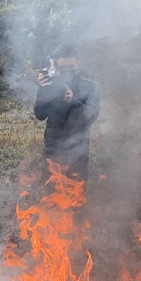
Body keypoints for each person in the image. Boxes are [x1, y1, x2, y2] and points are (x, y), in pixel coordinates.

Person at [33, 42, 100, 182]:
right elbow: (39, 114)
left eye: (71, 67)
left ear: (78, 64)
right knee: (50, 195)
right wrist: (42, 89)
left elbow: (91, 115)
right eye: (63, 68)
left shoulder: (90, 86)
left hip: (79, 150)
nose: (67, 71)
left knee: (76, 195)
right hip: (52, 148)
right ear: (56, 67)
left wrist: (73, 101)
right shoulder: (50, 85)